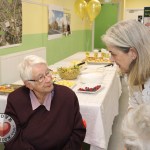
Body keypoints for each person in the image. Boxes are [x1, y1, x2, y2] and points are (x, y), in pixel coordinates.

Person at [4, 55, 86, 150]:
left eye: (47, 73)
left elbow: (78, 131)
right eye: (40, 78)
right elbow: (8, 136)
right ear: (29, 84)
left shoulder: (67, 96)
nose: (48, 79)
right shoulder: (15, 99)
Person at [102, 19, 150, 109]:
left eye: (113, 54)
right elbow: (133, 105)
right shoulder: (131, 71)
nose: (111, 59)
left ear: (133, 53)